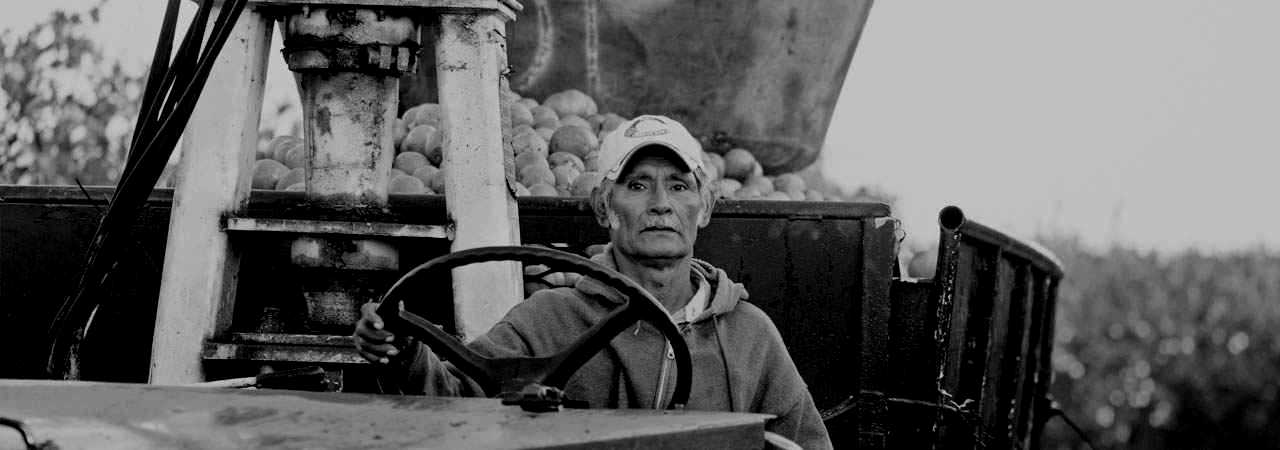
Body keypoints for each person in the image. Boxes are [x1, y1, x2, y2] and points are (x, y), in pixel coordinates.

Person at [354, 115, 832, 449]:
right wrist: (403, 352)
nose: (661, 203)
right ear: (604, 205)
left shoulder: (750, 336)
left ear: (704, 208)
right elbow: (453, 404)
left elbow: (802, 444)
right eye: (638, 184)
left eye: (680, 185)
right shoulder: (551, 318)